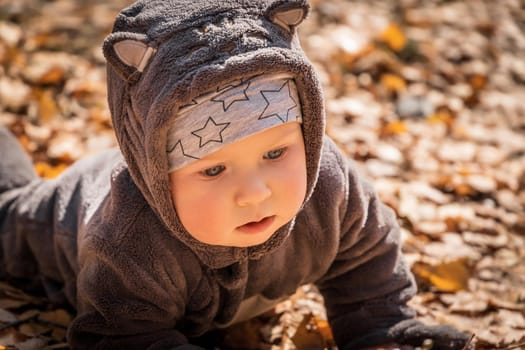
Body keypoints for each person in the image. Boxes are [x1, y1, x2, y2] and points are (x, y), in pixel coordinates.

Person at [0, 0, 471, 349]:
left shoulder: (329, 188)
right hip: (60, 215)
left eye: (275, 153)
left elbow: (367, 263)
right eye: (214, 168)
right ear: (158, 177)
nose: (253, 192)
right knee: (9, 213)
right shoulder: (128, 238)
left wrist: (382, 330)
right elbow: (124, 335)